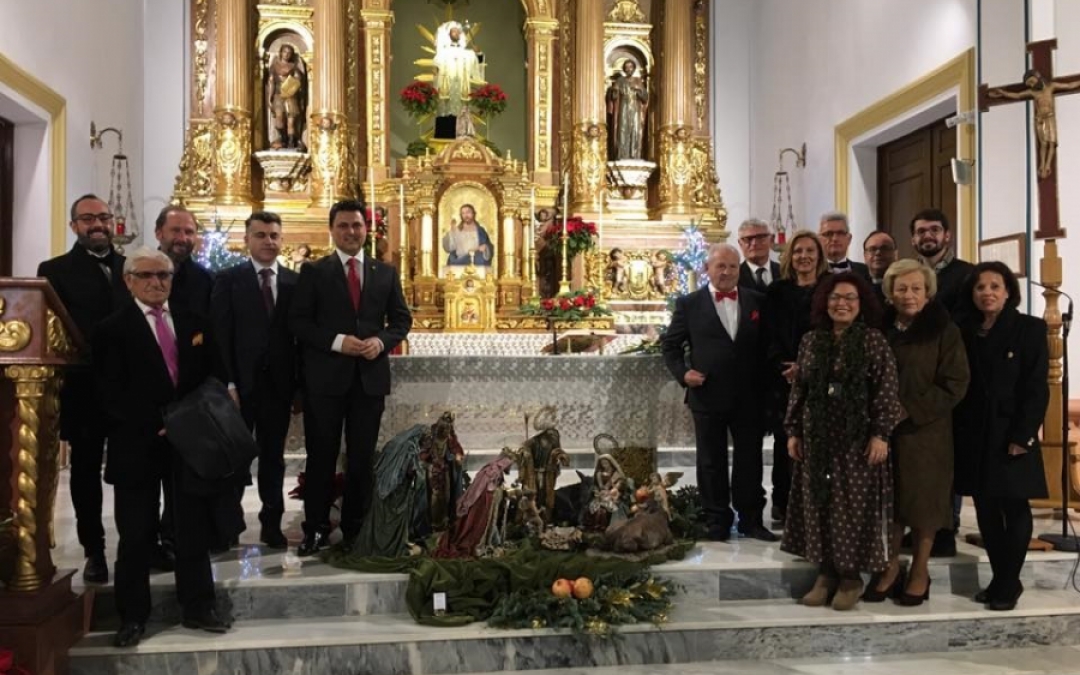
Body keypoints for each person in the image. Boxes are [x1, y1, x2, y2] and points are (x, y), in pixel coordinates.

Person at [94, 248, 231, 647]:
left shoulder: (194, 321)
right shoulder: (111, 329)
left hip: (189, 443)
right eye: (146, 275)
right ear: (128, 281)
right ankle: (133, 616)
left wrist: (186, 422)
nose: (156, 282)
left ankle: (199, 606)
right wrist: (155, 424)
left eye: (163, 275)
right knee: (136, 534)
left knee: (192, 529)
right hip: (136, 444)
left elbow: (214, 376)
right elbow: (106, 392)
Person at [288, 199, 413, 556]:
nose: (351, 232)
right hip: (325, 381)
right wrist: (338, 341)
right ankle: (315, 528)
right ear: (332, 230)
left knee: (361, 460)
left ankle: (356, 529)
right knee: (321, 457)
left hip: (368, 381)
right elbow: (299, 323)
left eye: (356, 225)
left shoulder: (384, 272)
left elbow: (401, 321)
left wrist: (381, 341)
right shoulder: (314, 271)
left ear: (366, 229)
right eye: (343, 225)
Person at [782, 272, 903, 611]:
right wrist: (793, 431)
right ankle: (825, 573)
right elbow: (800, 388)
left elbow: (887, 389)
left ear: (861, 304)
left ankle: (850, 577)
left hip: (857, 440)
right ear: (825, 302)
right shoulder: (811, 340)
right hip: (818, 439)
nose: (842, 304)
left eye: (850, 297)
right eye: (835, 297)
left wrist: (880, 433)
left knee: (852, 507)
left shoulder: (873, 341)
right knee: (819, 503)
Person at [864, 260, 969, 607]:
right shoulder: (878, 329)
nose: (909, 295)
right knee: (891, 503)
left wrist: (909, 409)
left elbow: (955, 382)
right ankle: (891, 566)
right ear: (890, 293)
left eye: (916, 288)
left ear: (928, 293)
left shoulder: (944, 330)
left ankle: (920, 569)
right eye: (901, 288)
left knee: (925, 504)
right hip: (883, 431)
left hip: (926, 432)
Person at [37, 194, 130, 584]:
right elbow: (54, 325)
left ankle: (136, 546)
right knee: (86, 471)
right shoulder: (54, 270)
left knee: (132, 470)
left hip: (129, 386)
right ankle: (94, 550)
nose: (97, 224)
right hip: (84, 385)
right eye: (88, 218)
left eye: (103, 217)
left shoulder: (131, 267)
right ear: (74, 225)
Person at [662, 244, 776, 542]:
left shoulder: (758, 301)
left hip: (749, 395)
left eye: (732, 266)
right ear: (707, 269)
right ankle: (716, 520)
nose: (726, 272)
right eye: (720, 266)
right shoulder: (688, 304)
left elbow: (767, 345)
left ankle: (751, 520)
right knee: (711, 461)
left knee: (750, 460)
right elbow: (670, 346)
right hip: (708, 394)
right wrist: (683, 374)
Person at [953, 261, 1049, 611]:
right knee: (986, 508)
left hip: (1012, 431)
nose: (987, 293)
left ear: (1009, 291)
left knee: (1014, 504)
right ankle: (1000, 579)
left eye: (995, 286)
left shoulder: (1030, 328)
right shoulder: (965, 330)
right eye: (980, 287)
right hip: (975, 433)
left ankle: (1008, 582)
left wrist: (1024, 435)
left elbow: (1036, 387)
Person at [210, 211, 300, 550]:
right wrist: (229, 383)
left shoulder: (294, 282)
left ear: (282, 239)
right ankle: (229, 524)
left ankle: (272, 523)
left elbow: (300, 339)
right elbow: (221, 335)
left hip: (278, 387)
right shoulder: (229, 279)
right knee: (235, 457)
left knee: (273, 458)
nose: (268, 241)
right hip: (240, 388)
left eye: (274, 235)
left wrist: (298, 388)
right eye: (260, 235)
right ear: (247, 239)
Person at [764, 230, 828, 525]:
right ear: (790, 256)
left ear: (819, 256)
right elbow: (768, 334)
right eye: (798, 251)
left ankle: (816, 503)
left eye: (810, 251)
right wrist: (784, 366)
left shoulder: (830, 288)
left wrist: (809, 367)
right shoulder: (776, 291)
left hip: (822, 378)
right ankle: (783, 501)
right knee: (785, 442)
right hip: (783, 379)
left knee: (820, 441)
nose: (804, 256)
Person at [910, 208, 975, 314]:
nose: (927, 236)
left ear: (947, 236)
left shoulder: (969, 273)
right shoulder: (906, 275)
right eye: (921, 231)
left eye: (935, 230)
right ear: (913, 240)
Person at [156, 205, 213, 317]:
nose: (182, 238)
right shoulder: (139, 274)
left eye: (189, 232)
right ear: (159, 233)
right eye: (175, 230)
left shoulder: (207, 280)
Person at [433, 21, 482, 120]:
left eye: (458, 31)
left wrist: (478, 54)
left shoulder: (467, 54)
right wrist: (436, 85)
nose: (456, 33)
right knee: (446, 116)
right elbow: (435, 70)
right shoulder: (442, 53)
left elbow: (478, 64)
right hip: (447, 90)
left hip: (461, 90)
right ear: (448, 34)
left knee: (461, 115)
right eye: (454, 31)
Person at [266, 43, 308, 150]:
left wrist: (296, 81)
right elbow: (271, 82)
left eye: (289, 53)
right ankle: (283, 138)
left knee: (291, 121)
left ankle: (291, 142)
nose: (287, 54)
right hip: (278, 95)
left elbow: (298, 82)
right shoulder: (274, 66)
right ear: (281, 53)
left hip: (290, 95)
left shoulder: (293, 67)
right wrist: (270, 98)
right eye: (285, 52)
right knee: (279, 118)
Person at [606, 59, 649, 160]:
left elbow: (645, 98)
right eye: (626, 67)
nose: (628, 69)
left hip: (635, 109)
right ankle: (622, 155)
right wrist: (614, 91)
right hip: (623, 108)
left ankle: (635, 155)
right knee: (622, 130)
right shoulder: (620, 81)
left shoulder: (638, 81)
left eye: (630, 67)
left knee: (635, 130)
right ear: (624, 69)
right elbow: (614, 97)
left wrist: (638, 91)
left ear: (634, 68)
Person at [818, 211, 871, 281]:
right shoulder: (812, 271)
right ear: (819, 240)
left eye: (840, 233)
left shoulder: (863, 270)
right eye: (828, 234)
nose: (835, 239)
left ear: (849, 239)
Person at [441, 204, 493, 269]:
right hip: (459, 263)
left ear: (473, 213)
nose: (466, 215)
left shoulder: (480, 231)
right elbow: (448, 248)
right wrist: (451, 233)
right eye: (463, 213)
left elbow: (489, 246)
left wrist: (485, 247)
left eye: (468, 212)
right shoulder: (457, 230)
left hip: (476, 262)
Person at [737, 218, 780, 292]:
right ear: (740, 243)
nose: (754, 243)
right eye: (748, 239)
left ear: (771, 240)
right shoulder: (733, 275)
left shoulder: (786, 272)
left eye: (760, 237)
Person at [862, 230, 898, 304]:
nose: (878, 253)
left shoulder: (906, 284)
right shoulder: (856, 286)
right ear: (865, 256)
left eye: (884, 248)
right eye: (872, 249)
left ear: (895, 254)